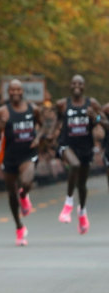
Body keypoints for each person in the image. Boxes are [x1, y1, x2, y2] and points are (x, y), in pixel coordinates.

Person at [0, 80, 43, 246]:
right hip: (10, 156)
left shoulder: (33, 109)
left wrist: (37, 137)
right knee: (11, 194)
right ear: (8, 92)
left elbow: (42, 126)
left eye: (18, 90)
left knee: (26, 182)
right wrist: (1, 125)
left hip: (28, 154)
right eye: (12, 90)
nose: (15, 92)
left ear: (22, 91)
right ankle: (19, 227)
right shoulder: (2, 111)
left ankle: (24, 195)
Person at [54, 75, 102, 234]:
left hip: (85, 148)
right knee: (74, 164)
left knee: (82, 185)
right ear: (70, 86)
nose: (77, 86)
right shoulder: (62, 104)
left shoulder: (92, 103)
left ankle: (82, 212)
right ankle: (68, 204)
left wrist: (95, 117)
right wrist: (50, 135)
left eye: (80, 83)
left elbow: (103, 121)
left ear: (84, 86)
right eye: (74, 83)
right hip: (66, 145)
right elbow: (55, 122)